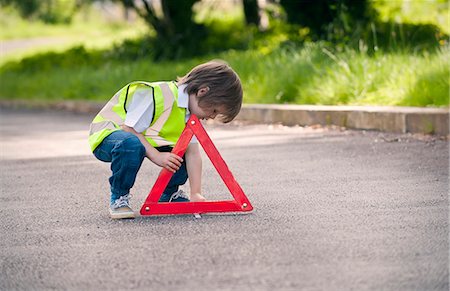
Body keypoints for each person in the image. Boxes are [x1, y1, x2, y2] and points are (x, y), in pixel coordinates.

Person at [88, 60, 243, 219]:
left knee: (180, 151)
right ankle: (119, 197)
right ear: (202, 91)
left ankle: (168, 193)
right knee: (131, 144)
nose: (211, 116)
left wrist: (196, 193)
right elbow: (129, 129)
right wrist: (156, 155)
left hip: (143, 139)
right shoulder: (158, 94)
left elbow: (193, 154)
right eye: (214, 110)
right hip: (110, 136)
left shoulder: (189, 114)